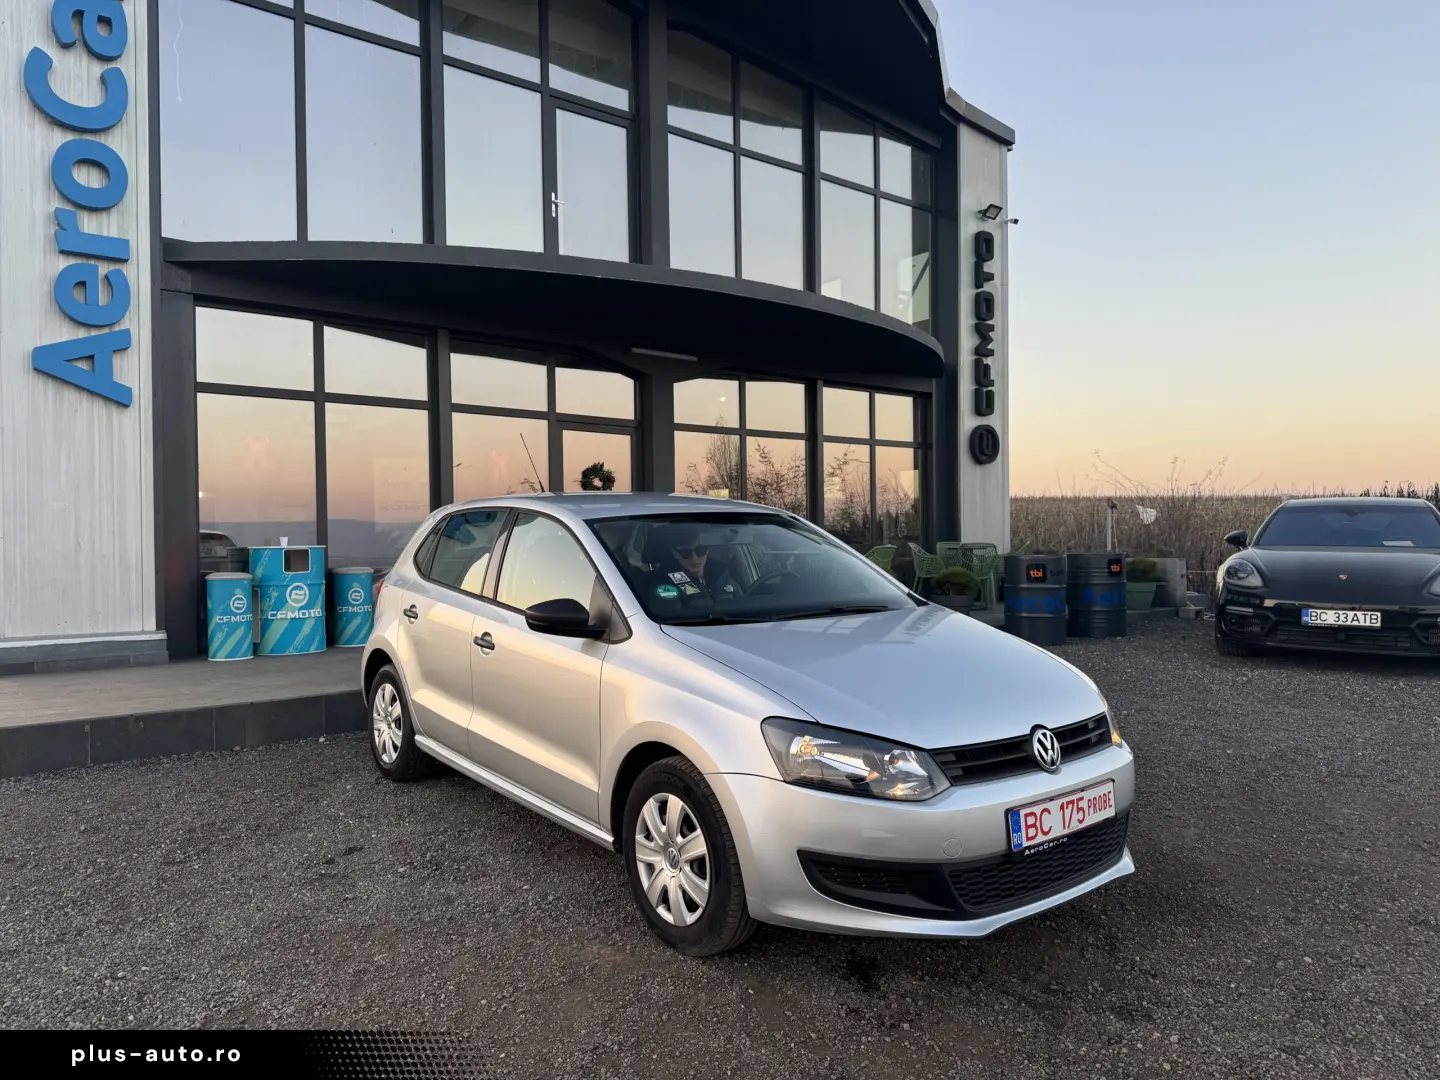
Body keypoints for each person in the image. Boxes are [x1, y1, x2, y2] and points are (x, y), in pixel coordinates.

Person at [642, 522, 738, 604]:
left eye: (700, 550)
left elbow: (742, 602)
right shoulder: (665, 585)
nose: (695, 559)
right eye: (686, 553)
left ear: (707, 550)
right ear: (675, 553)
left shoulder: (722, 575)